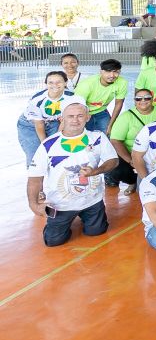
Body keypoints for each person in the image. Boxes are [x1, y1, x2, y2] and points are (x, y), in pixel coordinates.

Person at [26, 100, 118, 247]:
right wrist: (33, 204)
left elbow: (113, 161)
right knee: (53, 241)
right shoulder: (48, 144)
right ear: (61, 118)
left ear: (88, 117)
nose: (75, 120)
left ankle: (85, 217)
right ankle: (57, 223)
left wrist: (96, 171)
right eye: (70, 116)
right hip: (59, 205)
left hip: (92, 201)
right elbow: (35, 178)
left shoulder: (98, 137)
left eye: (80, 115)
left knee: (97, 231)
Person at [107, 87, 156, 200]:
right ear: (134, 100)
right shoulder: (126, 117)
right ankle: (132, 181)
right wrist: (131, 160)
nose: (143, 101)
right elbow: (115, 140)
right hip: (133, 154)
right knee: (116, 170)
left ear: (152, 99)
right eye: (138, 99)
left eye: (147, 98)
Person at [16, 70, 75, 165]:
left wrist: (56, 141)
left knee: (58, 151)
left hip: (54, 122)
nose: (54, 85)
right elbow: (39, 124)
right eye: (50, 82)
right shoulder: (37, 99)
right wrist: (46, 145)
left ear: (65, 82)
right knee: (36, 156)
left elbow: (65, 120)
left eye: (58, 82)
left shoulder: (71, 97)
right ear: (46, 84)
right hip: (30, 125)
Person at [74, 58, 127, 133]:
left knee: (108, 134)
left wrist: (111, 125)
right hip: (84, 112)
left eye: (116, 72)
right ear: (101, 72)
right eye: (108, 71)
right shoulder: (87, 84)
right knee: (83, 135)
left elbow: (119, 103)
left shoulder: (122, 82)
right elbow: (77, 105)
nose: (112, 75)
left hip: (102, 111)